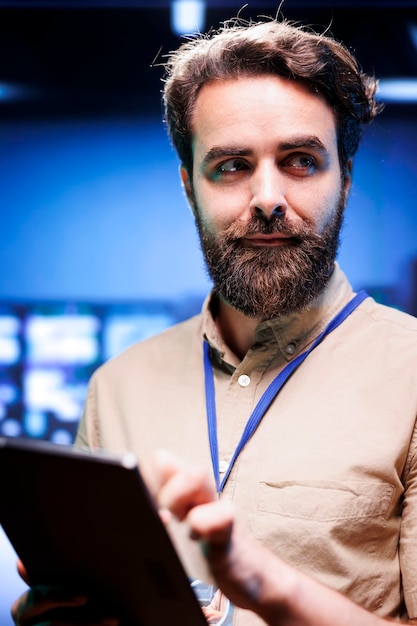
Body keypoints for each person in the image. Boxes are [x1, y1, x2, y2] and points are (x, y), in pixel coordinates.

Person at [11, 14, 417, 626]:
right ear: (188, 187)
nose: (267, 198)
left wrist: (267, 587)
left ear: (346, 179)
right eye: (230, 166)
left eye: (301, 160)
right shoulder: (116, 388)